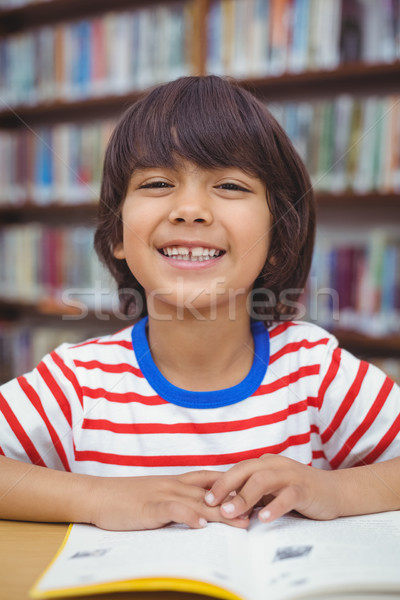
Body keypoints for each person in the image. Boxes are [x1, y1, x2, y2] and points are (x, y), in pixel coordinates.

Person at [0, 76, 399, 532]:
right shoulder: (78, 382)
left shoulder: (314, 368)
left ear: (277, 237)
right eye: (156, 182)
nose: (190, 209)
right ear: (117, 234)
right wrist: (95, 496)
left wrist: (332, 490)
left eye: (230, 186)